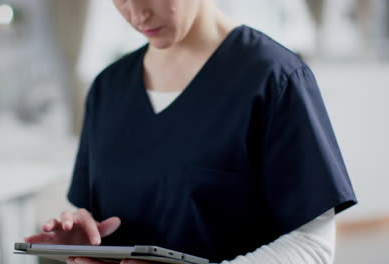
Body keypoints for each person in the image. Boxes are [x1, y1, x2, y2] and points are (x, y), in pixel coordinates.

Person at [25, 1, 357, 264]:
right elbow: (101, 222)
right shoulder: (108, 90)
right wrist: (89, 245)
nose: (137, 12)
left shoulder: (274, 79)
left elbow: (312, 248)